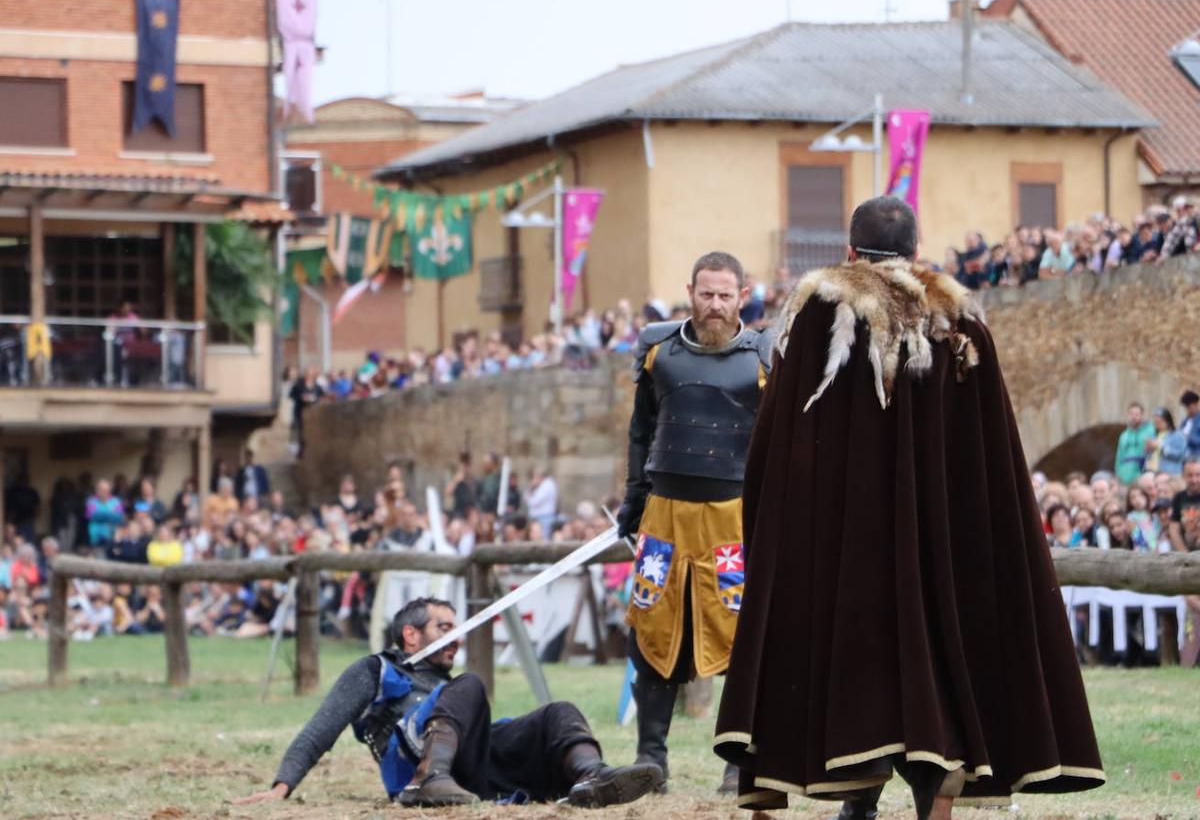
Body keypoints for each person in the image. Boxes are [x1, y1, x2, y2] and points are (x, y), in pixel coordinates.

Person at [715, 197, 1103, 819]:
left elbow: (775, 444)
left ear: (849, 252)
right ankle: (928, 800)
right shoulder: (960, 324)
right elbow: (993, 459)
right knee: (934, 669)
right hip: (934, 554)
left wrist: (773, 530)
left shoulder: (814, 318)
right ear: (917, 253)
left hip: (841, 552)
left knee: (842, 667)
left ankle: (850, 796)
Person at [234, 597, 662, 808]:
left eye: (457, 628)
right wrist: (282, 786)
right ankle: (429, 779)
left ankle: (591, 779)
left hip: (468, 768)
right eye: (444, 627)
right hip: (411, 761)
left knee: (558, 712)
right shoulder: (374, 671)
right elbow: (321, 727)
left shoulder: (450, 684)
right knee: (471, 684)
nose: (456, 636)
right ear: (411, 635)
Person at [616, 250, 772, 794]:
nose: (714, 305)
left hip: (732, 522)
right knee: (652, 623)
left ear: (743, 296)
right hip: (664, 518)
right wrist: (632, 503)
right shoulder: (658, 351)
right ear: (690, 291)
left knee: (738, 628)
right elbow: (641, 432)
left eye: (725, 295)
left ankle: (739, 762)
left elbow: (777, 447)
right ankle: (650, 759)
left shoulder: (765, 355)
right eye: (706, 293)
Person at [1114, 402, 1155, 486]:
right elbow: (1119, 456)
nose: (1134, 417)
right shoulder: (1124, 435)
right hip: (1125, 474)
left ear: (1142, 415)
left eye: (1137, 414)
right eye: (1131, 414)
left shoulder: (1151, 430)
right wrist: (1117, 473)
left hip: (1143, 472)